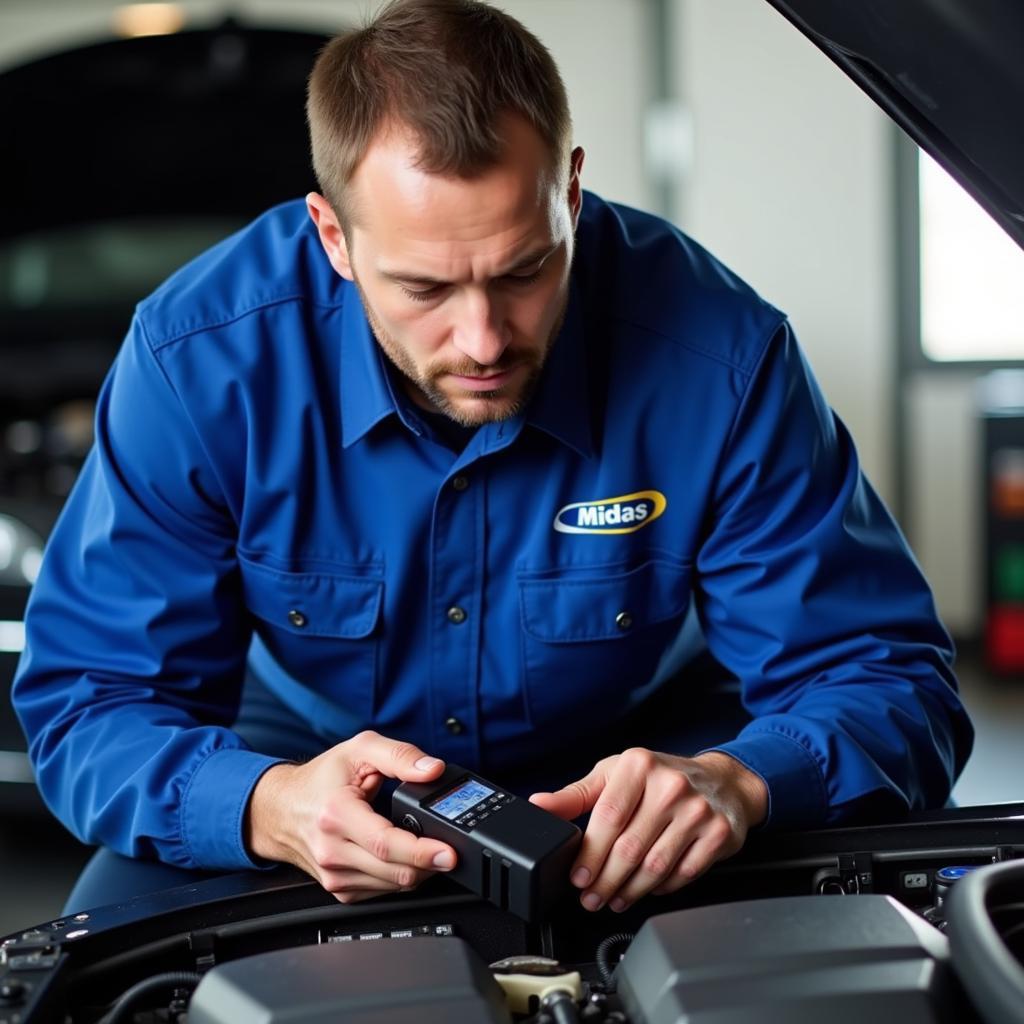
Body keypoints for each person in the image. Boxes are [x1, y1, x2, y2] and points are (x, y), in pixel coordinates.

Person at [13, 0, 973, 917]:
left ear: (572, 193)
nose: (481, 340)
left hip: (644, 755)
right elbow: (91, 701)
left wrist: (744, 779)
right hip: (304, 749)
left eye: (523, 271)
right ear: (334, 238)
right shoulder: (199, 363)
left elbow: (887, 679)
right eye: (424, 287)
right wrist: (264, 805)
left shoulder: (720, 357)